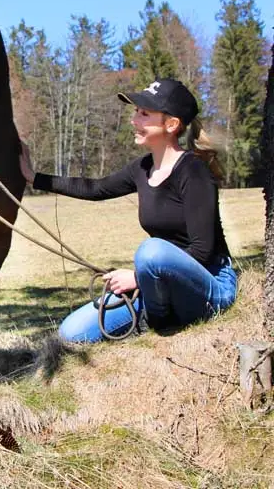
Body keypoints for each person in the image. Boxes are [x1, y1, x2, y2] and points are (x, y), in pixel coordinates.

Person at [19, 78, 237, 342]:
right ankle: (156, 316)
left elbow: (202, 251)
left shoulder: (194, 171)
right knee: (71, 332)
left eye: (144, 114)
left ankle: (157, 321)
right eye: (136, 112)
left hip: (210, 285)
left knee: (150, 251)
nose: (134, 120)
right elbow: (95, 188)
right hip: (158, 281)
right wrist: (34, 178)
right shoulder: (142, 168)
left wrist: (136, 276)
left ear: (171, 124)